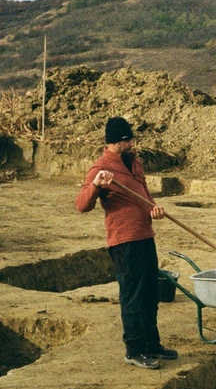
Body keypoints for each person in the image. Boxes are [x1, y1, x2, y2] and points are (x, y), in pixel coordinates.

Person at [75, 116, 177, 370]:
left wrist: (155, 209)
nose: (132, 143)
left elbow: (144, 193)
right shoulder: (100, 169)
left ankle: (152, 344)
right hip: (124, 241)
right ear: (116, 142)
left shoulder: (135, 163)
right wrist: (97, 185)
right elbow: (81, 205)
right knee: (132, 297)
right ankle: (134, 349)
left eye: (132, 139)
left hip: (145, 235)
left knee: (151, 293)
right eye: (128, 140)